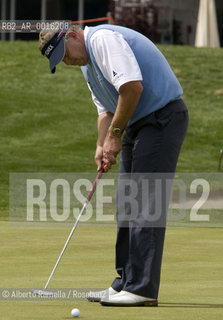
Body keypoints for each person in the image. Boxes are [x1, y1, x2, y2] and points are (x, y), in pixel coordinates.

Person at [39, 23, 188, 306]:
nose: (67, 61)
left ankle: (142, 288)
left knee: (146, 202)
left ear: (72, 35)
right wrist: (101, 144)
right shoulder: (87, 66)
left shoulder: (103, 40)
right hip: (138, 124)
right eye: (61, 61)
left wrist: (115, 136)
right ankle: (125, 282)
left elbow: (132, 88)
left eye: (65, 54)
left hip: (161, 119)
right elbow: (105, 109)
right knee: (126, 205)